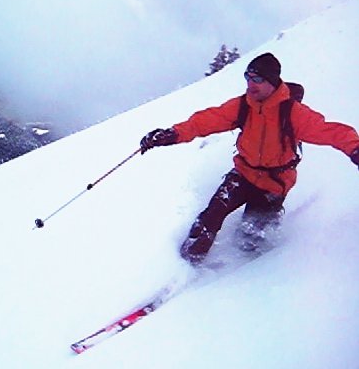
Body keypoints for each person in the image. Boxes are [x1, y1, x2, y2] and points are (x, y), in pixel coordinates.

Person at [139, 52, 359, 264]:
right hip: (243, 174)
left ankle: (246, 271)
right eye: (247, 77)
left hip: (274, 184)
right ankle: (185, 264)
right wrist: (172, 134)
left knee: (248, 240)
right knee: (210, 216)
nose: (250, 84)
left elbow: (330, 131)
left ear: (272, 83)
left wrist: (354, 148)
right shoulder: (243, 106)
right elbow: (206, 120)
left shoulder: (292, 112)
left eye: (257, 79)